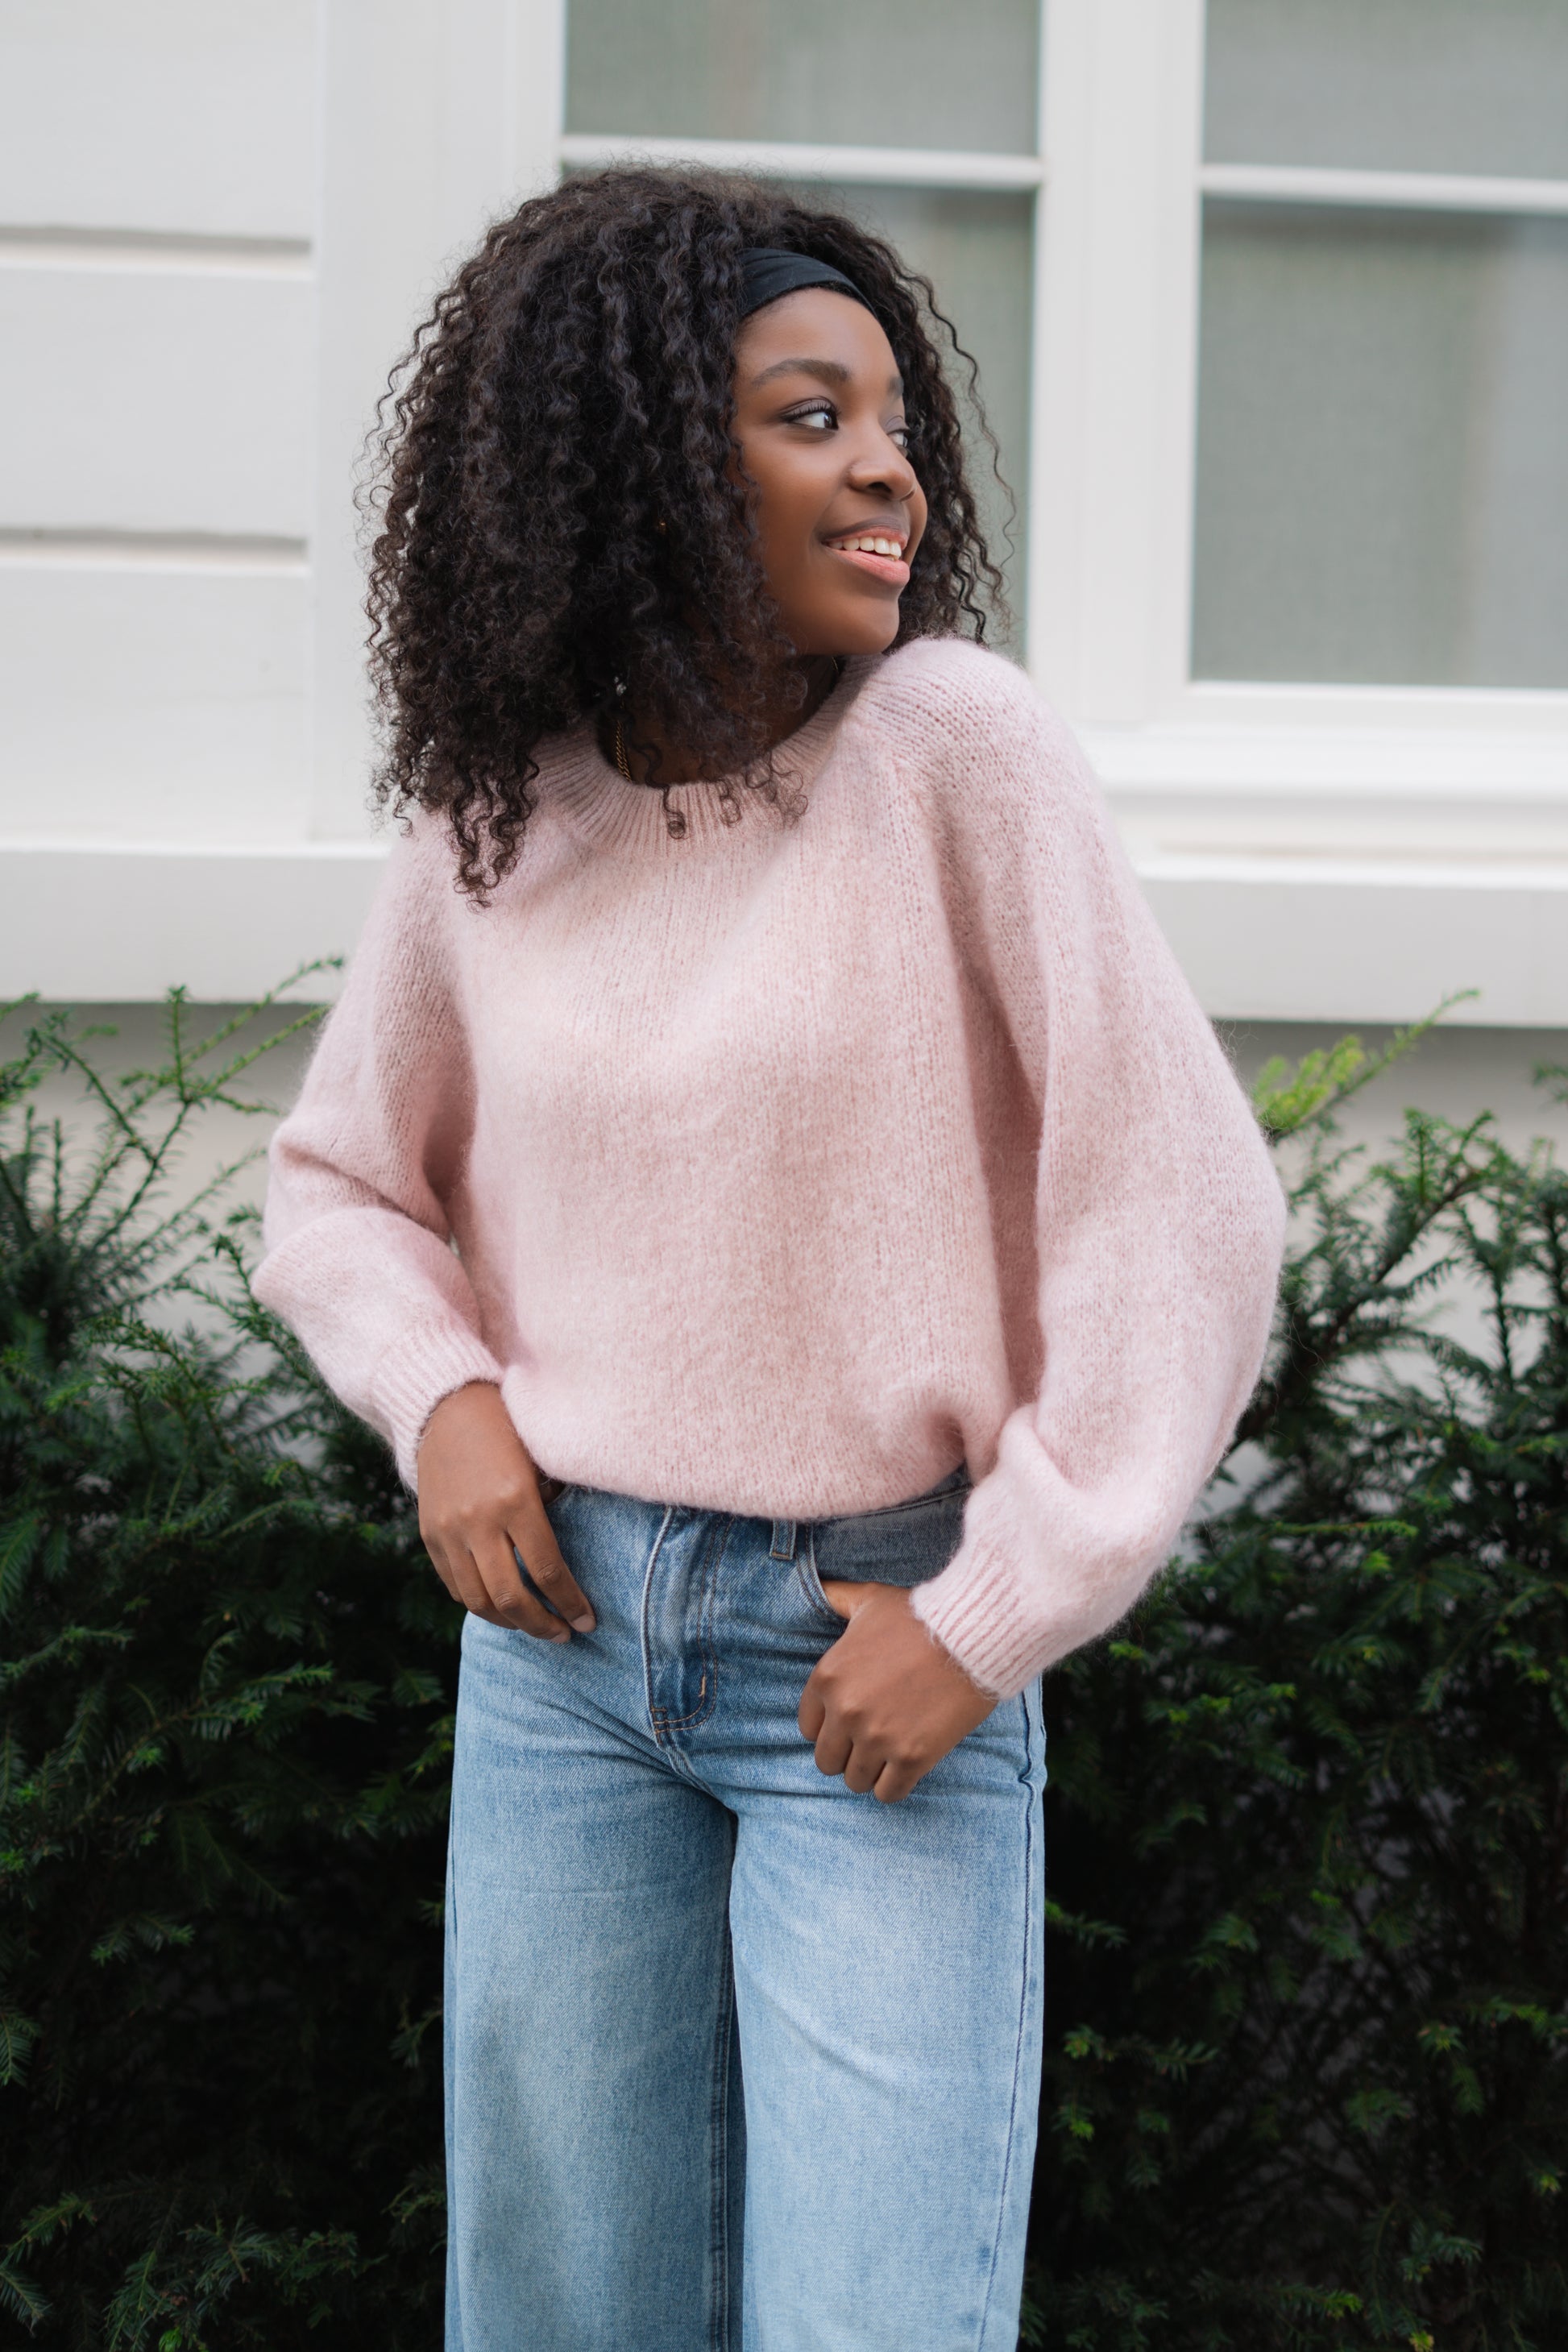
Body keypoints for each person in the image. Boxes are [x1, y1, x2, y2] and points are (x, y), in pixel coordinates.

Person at [256, 170, 1285, 2352]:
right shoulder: (504, 806)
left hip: (871, 1646)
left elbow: (1179, 1204)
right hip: (559, 1647)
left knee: (875, 2321)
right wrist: (442, 1406)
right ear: (635, 466)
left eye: (892, 419)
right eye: (812, 418)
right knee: (561, 2311)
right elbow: (340, 1185)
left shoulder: (954, 751)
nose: (889, 466)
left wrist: (994, 1612)